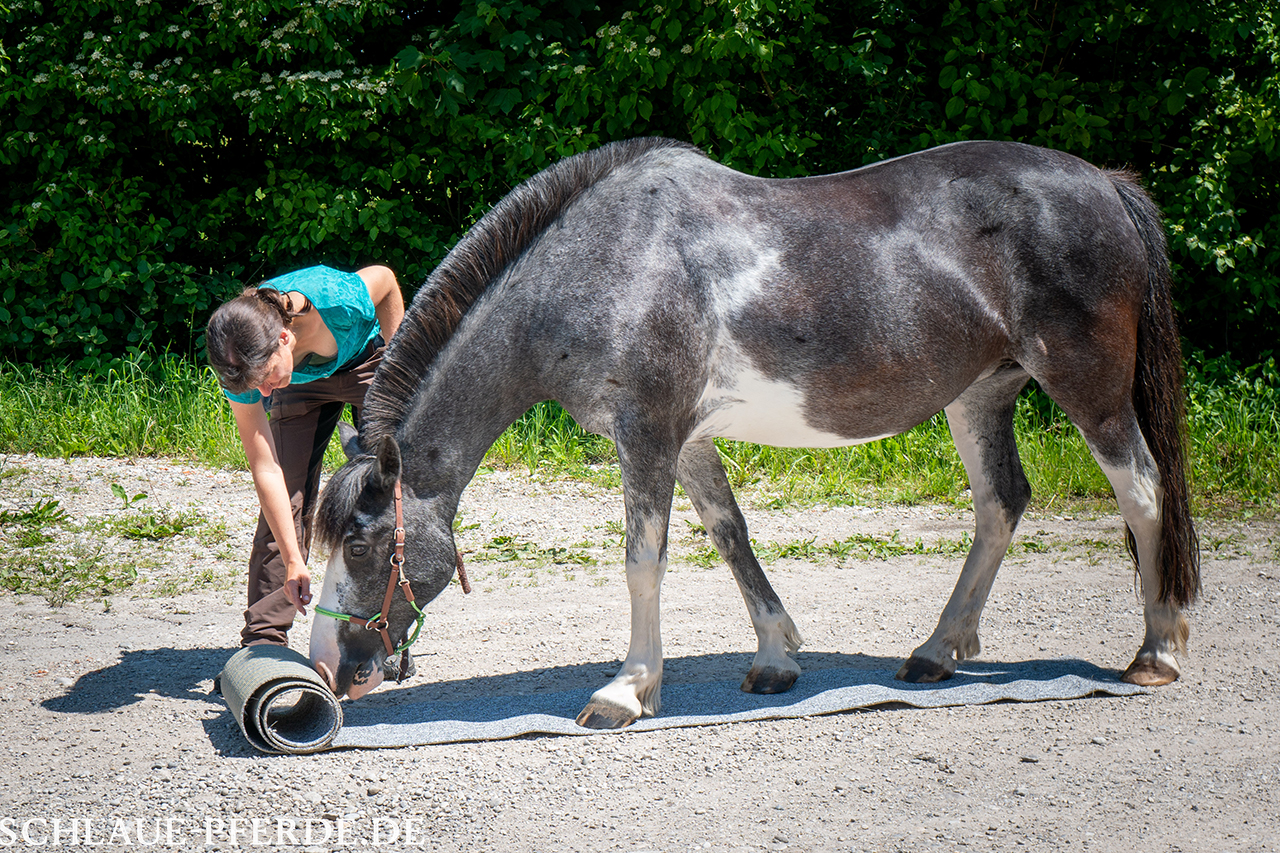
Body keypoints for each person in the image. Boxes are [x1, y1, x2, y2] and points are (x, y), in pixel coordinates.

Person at [206, 264, 404, 647]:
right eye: (255, 385)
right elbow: (266, 467)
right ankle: (264, 638)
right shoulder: (240, 359)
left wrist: (400, 364)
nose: (263, 393)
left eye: (265, 379)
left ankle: (385, 624)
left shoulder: (338, 300)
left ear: (284, 337)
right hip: (299, 383)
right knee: (286, 500)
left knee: (387, 493)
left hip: (367, 364)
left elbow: (385, 278)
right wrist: (295, 560)